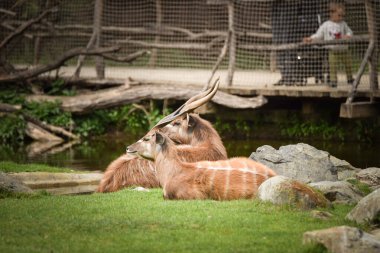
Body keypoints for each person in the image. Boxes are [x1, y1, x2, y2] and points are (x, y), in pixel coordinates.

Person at [303, 2, 354, 88]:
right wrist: (311, 38)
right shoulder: (326, 25)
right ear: (332, 14)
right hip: (332, 50)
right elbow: (318, 35)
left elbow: (350, 32)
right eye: (339, 15)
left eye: (342, 16)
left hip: (344, 49)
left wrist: (348, 35)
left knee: (348, 64)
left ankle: (350, 78)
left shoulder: (343, 24)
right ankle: (333, 81)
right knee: (332, 66)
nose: (341, 17)